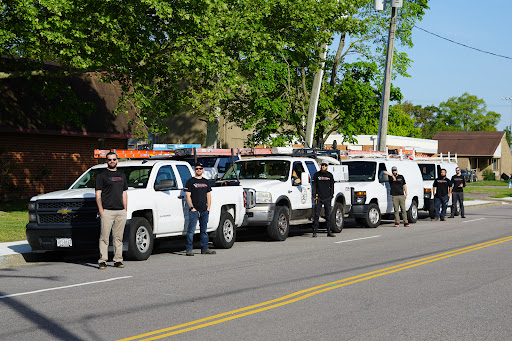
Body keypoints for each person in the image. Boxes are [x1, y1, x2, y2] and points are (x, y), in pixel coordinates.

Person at [95, 151, 128, 270]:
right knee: (104, 237)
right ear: (106, 161)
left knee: (118, 237)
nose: (112, 161)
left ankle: (118, 260)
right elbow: (98, 194)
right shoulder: (102, 175)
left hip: (120, 211)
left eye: (114, 159)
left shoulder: (122, 174)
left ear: (117, 160)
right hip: (107, 211)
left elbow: (124, 192)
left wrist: (125, 208)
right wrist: (101, 210)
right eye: (109, 160)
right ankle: (102, 260)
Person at [184, 163, 216, 256]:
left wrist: (208, 208)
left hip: (204, 210)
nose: (199, 170)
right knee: (191, 231)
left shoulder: (206, 182)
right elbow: (187, 196)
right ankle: (189, 249)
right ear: (195, 169)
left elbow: (208, 195)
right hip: (194, 210)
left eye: (200, 168)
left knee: (204, 231)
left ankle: (205, 248)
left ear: (203, 170)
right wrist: (192, 207)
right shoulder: (190, 181)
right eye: (197, 168)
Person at [312, 162, 335, 238]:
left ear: (327, 166)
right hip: (319, 198)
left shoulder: (329, 175)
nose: (323, 167)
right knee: (316, 215)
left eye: (325, 165)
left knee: (328, 215)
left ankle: (329, 231)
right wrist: (314, 195)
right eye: (322, 165)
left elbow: (332, 186)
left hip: (327, 198)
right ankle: (314, 231)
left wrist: (331, 195)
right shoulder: (316, 175)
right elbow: (314, 185)